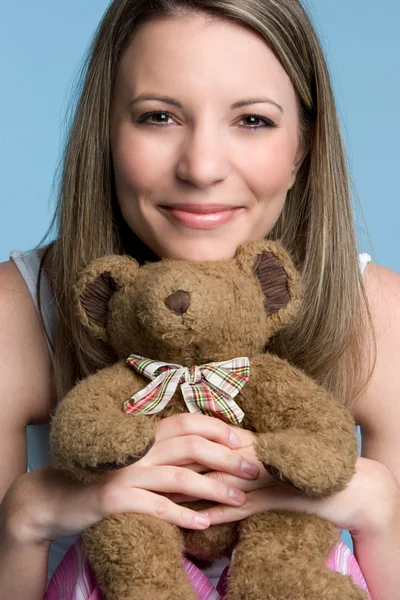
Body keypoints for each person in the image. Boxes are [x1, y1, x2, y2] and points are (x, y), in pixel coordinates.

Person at [0, 0, 399, 598]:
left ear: (302, 148)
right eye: (159, 117)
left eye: (253, 120)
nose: (202, 167)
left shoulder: (379, 314)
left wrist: (381, 513)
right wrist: (26, 516)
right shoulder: (15, 311)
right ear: (106, 132)